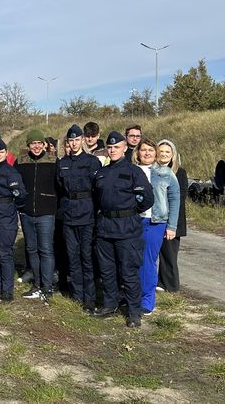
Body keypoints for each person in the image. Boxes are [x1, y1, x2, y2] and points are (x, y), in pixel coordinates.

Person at [92, 131, 153, 328]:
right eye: (110, 147)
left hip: (127, 228)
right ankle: (110, 305)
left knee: (129, 272)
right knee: (107, 271)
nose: (112, 150)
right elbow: (96, 199)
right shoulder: (101, 172)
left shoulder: (134, 172)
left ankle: (134, 312)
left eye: (116, 147)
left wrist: (129, 212)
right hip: (105, 228)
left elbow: (147, 199)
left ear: (125, 148)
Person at [56, 125, 102, 312]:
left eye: (76, 140)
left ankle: (89, 298)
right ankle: (77, 294)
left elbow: (97, 189)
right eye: (70, 141)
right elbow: (60, 187)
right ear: (67, 142)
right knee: (72, 257)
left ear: (82, 140)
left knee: (86, 257)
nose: (74, 143)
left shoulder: (92, 162)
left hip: (87, 214)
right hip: (68, 215)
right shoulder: (62, 163)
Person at [132, 138, 179, 315]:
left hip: (155, 223)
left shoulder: (166, 173)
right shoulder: (131, 171)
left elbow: (175, 200)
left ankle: (147, 301)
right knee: (132, 260)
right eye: (143, 150)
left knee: (148, 262)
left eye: (150, 150)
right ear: (137, 153)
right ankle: (131, 295)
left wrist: (171, 226)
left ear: (155, 153)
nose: (146, 153)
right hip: (134, 221)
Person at [15, 130, 58, 301]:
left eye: (40, 143)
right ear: (28, 145)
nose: (37, 146)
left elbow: (60, 184)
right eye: (33, 143)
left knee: (46, 250)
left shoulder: (53, 161)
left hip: (46, 213)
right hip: (26, 213)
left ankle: (47, 287)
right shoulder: (21, 162)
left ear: (45, 145)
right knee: (32, 249)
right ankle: (37, 284)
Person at [0, 138, 26, 302]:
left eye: (1, 152)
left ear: (6, 153)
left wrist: (11, 209)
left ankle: (7, 291)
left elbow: (21, 196)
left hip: (6, 215)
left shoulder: (11, 172)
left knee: (5, 253)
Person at [156, 139, 188, 293]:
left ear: (173, 155)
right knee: (160, 253)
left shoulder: (179, 172)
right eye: (161, 151)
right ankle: (161, 283)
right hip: (157, 218)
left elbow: (180, 197)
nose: (164, 154)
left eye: (167, 152)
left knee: (170, 254)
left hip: (173, 220)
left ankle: (172, 287)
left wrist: (170, 221)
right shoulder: (154, 170)